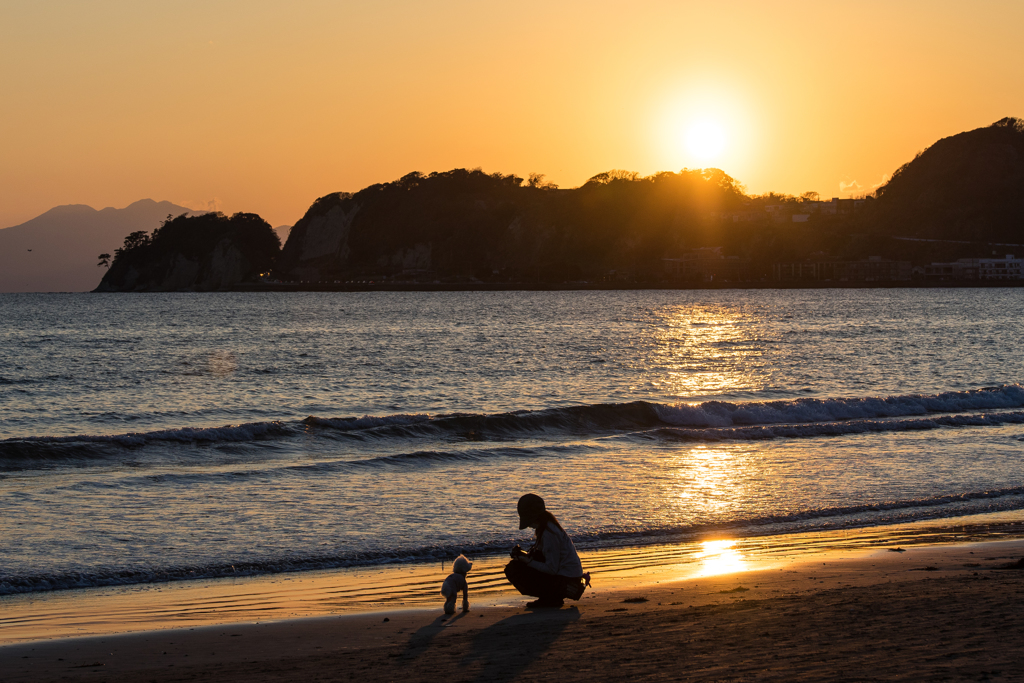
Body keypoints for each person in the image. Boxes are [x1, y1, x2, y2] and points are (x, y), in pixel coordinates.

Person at [505, 493, 589, 608]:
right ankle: (549, 597)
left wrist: (528, 562)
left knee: (514, 569)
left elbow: (551, 569)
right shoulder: (548, 527)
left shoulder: (549, 534)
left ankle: (551, 597)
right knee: (520, 564)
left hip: (568, 580)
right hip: (566, 576)